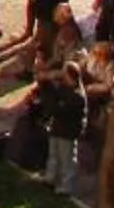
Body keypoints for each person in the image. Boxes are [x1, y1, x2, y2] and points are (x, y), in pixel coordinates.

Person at [34, 60, 90, 193]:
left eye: (64, 72)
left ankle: (66, 187)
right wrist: (44, 82)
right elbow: (53, 97)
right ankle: (50, 178)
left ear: (70, 75)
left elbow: (56, 108)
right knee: (53, 155)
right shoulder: (64, 88)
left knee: (67, 160)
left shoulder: (78, 96)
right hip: (58, 127)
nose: (61, 75)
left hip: (68, 131)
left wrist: (48, 89)